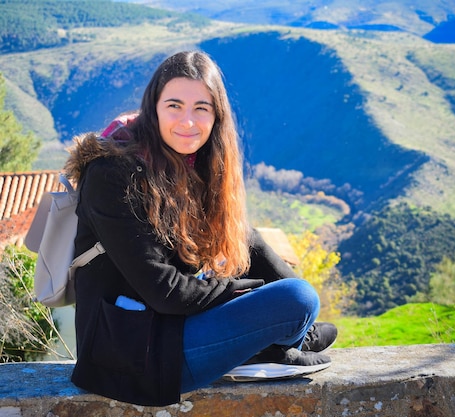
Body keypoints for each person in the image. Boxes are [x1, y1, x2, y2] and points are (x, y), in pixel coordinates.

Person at [63, 50, 337, 407]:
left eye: (201, 109)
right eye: (174, 105)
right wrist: (245, 292)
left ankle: (279, 343)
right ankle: (271, 347)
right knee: (298, 301)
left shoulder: (190, 162)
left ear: (216, 116)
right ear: (153, 107)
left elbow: (243, 239)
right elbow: (165, 291)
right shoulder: (112, 174)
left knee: (291, 292)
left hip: (174, 326)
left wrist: (280, 296)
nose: (188, 121)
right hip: (132, 349)